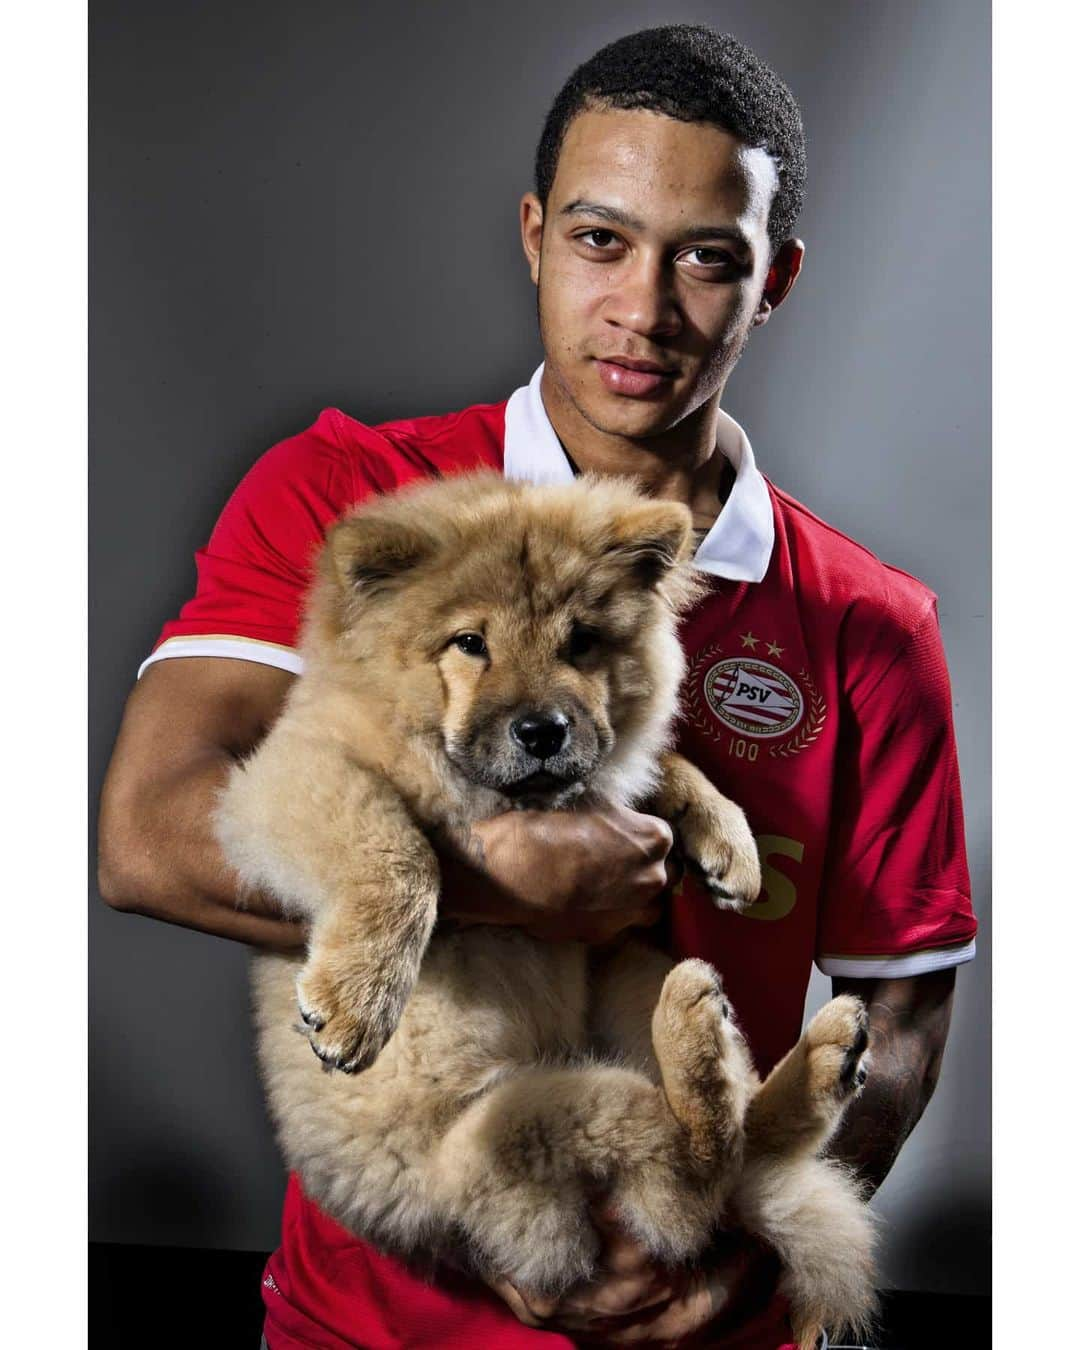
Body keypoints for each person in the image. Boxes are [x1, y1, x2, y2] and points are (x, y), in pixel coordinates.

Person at [98, 25, 976, 1350]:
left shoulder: (866, 621)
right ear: (533, 234)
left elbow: (901, 1011)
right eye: (600, 240)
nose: (643, 309)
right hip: (375, 1323)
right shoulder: (351, 500)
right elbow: (147, 836)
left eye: (708, 258)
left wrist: (723, 1262)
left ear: (776, 278)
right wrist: (514, 884)